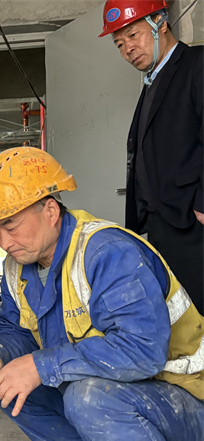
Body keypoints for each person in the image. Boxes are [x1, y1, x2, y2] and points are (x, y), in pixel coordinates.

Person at [0, 146, 204, 441]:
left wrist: (41, 366)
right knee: (7, 381)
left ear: (50, 210)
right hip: (136, 393)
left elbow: (142, 352)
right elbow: (15, 328)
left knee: (89, 397)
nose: (4, 242)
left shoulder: (107, 252)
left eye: (11, 227)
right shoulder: (19, 266)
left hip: (189, 400)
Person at [99, 0, 203, 313]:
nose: (128, 49)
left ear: (160, 22)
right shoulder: (153, 81)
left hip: (192, 219)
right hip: (161, 226)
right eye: (119, 44)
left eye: (133, 35)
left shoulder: (196, 64)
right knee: (179, 316)